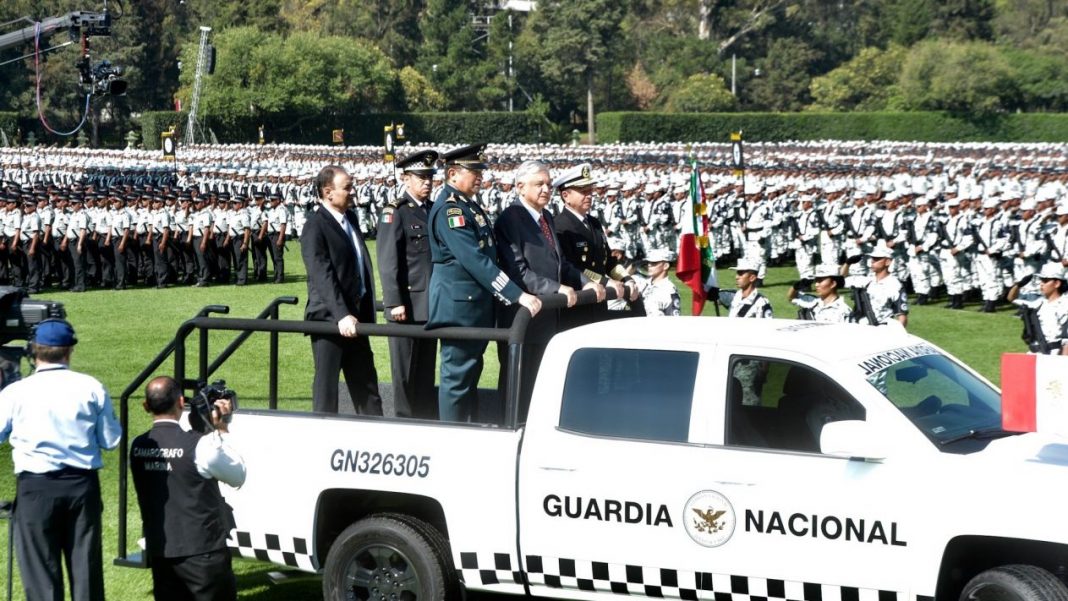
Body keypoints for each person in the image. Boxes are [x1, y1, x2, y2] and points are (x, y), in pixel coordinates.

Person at [0, 319, 121, 601]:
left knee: (41, 576)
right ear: (69, 352)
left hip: (35, 488)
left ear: (34, 352)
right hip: (81, 486)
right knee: (86, 573)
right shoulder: (91, 387)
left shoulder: (16, 392)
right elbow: (111, 440)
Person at [426, 143, 541, 423]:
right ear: (452, 173)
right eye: (473, 170)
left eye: (481, 170)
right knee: (457, 380)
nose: (480, 176)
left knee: (470, 375)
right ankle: (452, 438)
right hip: (458, 310)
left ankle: (467, 433)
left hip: (472, 307)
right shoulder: (450, 210)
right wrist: (516, 294)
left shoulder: (467, 205)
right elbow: (475, 260)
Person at [494, 160, 603, 414]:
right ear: (520, 187)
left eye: (548, 184)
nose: (546, 189)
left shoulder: (546, 217)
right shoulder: (511, 218)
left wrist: (589, 282)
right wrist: (556, 289)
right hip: (523, 319)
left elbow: (562, 264)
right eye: (539, 184)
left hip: (547, 319)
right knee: (517, 392)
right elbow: (518, 272)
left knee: (538, 391)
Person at [130, 376, 246, 601]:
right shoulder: (200, 446)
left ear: (146, 406)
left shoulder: (137, 446)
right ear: (181, 403)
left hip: (162, 552)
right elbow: (237, 474)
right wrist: (219, 429)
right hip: (204, 555)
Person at [300, 164, 383, 415]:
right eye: (347, 188)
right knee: (326, 392)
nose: (353, 192)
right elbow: (321, 274)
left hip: (355, 320)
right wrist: (341, 314)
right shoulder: (315, 225)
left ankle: (375, 440)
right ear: (328, 192)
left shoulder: (351, 219)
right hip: (330, 320)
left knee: (367, 390)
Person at [377, 150, 440, 419]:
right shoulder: (396, 212)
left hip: (431, 304)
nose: (427, 182)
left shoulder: (432, 210)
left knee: (426, 371)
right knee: (404, 373)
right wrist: (393, 301)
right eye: (420, 177)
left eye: (430, 177)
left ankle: (424, 419)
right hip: (407, 304)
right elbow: (388, 260)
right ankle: (404, 419)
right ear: (405, 179)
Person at [553, 163, 633, 327]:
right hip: (578, 303)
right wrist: (605, 282)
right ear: (565, 195)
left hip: (599, 300)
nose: (589, 196)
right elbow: (571, 266)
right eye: (583, 191)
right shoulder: (560, 226)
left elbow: (608, 260)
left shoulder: (594, 223)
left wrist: (626, 278)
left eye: (590, 191)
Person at [1008, 263, 1068, 355]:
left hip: (1052, 355)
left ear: (1057, 283)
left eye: (1045, 281)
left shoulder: (1064, 305)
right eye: (1041, 280)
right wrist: (1019, 285)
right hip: (1034, 353)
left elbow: (1066, 341)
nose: (1041, 284)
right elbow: (1011, 298)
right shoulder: (1038, 303)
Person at [862, 242, 909, 327]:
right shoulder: (867, 280)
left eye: (877, 259)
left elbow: (902, 316)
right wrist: (847, 263)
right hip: (862, 328)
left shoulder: (894, 285)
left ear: (887, 262)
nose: (872, 261)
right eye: (872, 258)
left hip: (882, 330)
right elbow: (840, 281)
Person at [788, 263, 853, 322]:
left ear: (833, 284)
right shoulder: (813, 302)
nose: (816, 284)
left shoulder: (843, 311)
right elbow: (792, 298)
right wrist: (795, 287)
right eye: (816, 281)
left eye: (820, 281)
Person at [636, 248, 681, 316]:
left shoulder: (669, 290)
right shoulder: (643, 283)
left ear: (665, 266)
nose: (649, 265)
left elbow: (673, 319)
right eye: (648, 262)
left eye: (654, 263)